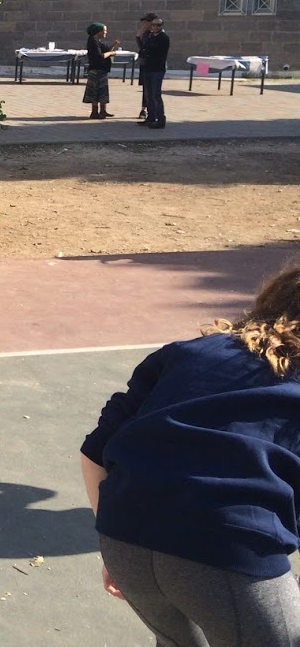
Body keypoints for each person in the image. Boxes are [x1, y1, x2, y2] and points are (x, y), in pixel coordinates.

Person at [80, 262, 300, 646]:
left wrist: (117, 540)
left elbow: (94, 452)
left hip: (124, 534)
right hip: (227, 546)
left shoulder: (191, 351)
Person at [137, 13, 170, 129]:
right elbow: (143, 49)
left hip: (157, 69)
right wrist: (139, 38)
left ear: (161, 26)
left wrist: (146, 49)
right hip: (148, 68)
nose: (155, 27)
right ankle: (151, 117)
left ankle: (160, 119)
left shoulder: (163, 38)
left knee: (156, 94)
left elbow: (153, 51)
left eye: (158, 25)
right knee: (149, 94)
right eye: (153, 25)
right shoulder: (150, 36)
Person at [82, 23, 122, 120]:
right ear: (98, 32)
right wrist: (112, 53)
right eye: (104, 30)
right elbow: (101, 56)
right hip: (96, 70)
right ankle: (94, 112)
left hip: (102, 70)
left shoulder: (98, 41)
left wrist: (114, 45)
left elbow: (106, 49)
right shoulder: (93, 42)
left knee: (102, 91)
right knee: (96, 91)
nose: (106, 32)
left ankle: (103, 111)